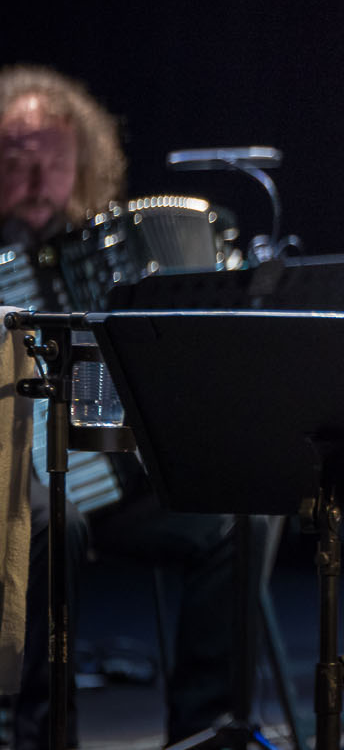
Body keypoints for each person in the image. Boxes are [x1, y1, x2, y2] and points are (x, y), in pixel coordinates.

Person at [0, 66, 239, 748]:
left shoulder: (103, 248)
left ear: (85, 163)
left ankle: (203, 728)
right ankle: (44, 735)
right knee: (54, 525)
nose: (40, 177)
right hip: (13, 485)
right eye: (18, 157)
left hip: (101, 477)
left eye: (55, 156)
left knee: (231, 520)